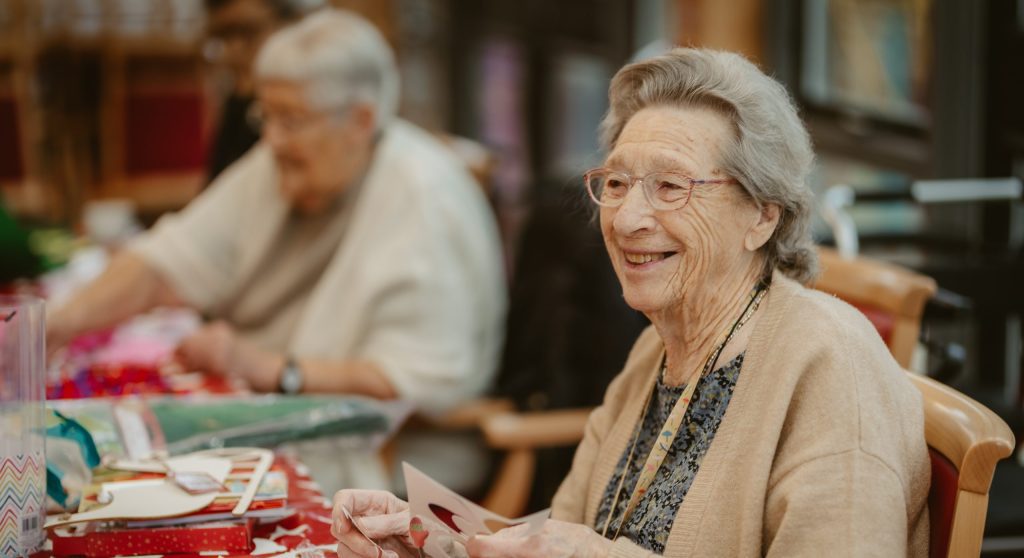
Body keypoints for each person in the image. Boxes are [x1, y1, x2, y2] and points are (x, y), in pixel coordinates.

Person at [331, 48, 930, 557]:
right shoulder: (656, 351)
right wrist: (426, 537)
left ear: (761, 216)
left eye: (670, 186)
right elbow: (554, 536)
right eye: (616, 184)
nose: (628, 219)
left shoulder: (832, 368)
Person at [47, 9, 506, 416]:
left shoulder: (423, 194)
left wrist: (265, 368)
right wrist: (52, 327)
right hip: (290, 414)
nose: (273, 139)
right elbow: (165, 261)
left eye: (291, 120)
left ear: (361, 121)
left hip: (401, 452)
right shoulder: (280, 164)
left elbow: (412, 381)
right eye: (264, 117)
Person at [203, 0, 324, 181]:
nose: (232, 52)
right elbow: (217, 186)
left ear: (292, 23)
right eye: (223, 37)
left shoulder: (321, 105)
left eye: (248, 32)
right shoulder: (239, 101)